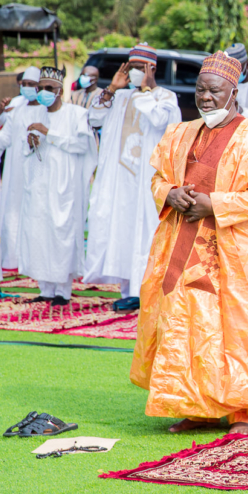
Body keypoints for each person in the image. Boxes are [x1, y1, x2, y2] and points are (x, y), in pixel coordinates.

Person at [130, 52, 248, 435]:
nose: (206, 98)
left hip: (233, 250)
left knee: (235, 325)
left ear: (233, 92)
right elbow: (158, 178)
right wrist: (170, 193)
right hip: (181, 244)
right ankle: (196, 406)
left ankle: (244, 410)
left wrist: (216, 205)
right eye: (200, 90)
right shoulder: (181, 132)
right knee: (186, 322)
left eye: (214, 91)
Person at [85, 43, 182, 309]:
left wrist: (148, 89)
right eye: (133, 68)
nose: (136, 73)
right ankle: (128, 291)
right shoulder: (122, 97)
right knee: (122, 231)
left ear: (152, 68)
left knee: (146, 232)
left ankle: (147, 293)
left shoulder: (165, 97)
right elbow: (94, 118)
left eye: (142, 68)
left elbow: (161, 121)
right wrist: (113, 88)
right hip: (120, 181)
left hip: (148, 181)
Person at [13, 66, 96, 305]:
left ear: (59, 90)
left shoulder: (76, 114)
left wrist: (49, 133)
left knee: (62, 233)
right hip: (39, 184)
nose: (42, 93)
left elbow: (82, 146)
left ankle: (63, 291)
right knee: (39, 232)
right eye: (40, 88)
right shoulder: (35, 114)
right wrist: (31, 142)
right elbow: (24, 149)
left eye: (48, 89)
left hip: (65, 186)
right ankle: (45, 289)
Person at [0, 66, 44, 270]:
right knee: (12, 211)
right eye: (24, 84)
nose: (26, 88)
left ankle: (36, 259)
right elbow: (4, 137)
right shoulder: (17, 109)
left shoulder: (47, 111)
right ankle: (13, 259)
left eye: (31, 85)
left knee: (37, 212)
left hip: (39, 170)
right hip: (15, 170)